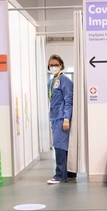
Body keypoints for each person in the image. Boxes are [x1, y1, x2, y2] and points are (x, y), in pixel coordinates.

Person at [46, 54, 75, 184]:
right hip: (54, 117)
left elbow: (68, 100)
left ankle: (60, 175)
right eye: (51, 65)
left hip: (62, 117)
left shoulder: (65, 80)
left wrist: (66, 118)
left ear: (61, 66)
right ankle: (68, 173)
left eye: (56, 65)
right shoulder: (51, 82)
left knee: (59, 146)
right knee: (61, 145)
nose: (53, 67)